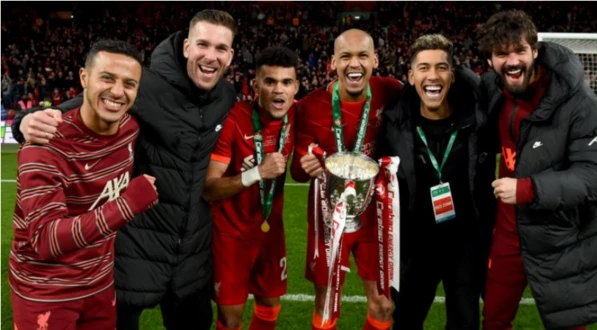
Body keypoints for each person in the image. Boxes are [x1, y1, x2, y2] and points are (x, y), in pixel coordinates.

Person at [11, 9, 238, 330]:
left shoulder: (226, 96)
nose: (210, 56)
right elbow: (83, 105)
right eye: (203, 45)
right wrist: (27, 120)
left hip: (191, 255)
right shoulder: (144, 85)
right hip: (134, 250)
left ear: (230, 56)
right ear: (187, 47)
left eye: (220, 49)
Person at [477, 10, 597, 330]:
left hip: (562, 235)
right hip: (508, 235)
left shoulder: (576, 101)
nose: (512, 61)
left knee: (569, 323)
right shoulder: (493, 90)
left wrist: (528, 188)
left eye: (520, 51)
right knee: (493, 320)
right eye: (501, 54)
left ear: (536, 51)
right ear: (490, 60)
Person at [9, 40, 159, 330]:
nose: (117, 91)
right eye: (107, 78)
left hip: (100, 284)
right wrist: (127, 204)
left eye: (129, 83)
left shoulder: (130, 130)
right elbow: (46, 240)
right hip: (46, 290)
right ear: (84, 78)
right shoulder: (44, 144)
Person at [380, 34, 495, 329]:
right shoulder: (394, 124)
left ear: (452, 75)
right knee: (405, 321)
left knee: (465, 323)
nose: (433, 76)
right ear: (411, 76)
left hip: (465, 245)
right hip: (417, 246)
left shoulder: (478, 120)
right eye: (424, 68)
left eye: (441, 67)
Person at [290, 29, 403, 330]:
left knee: (384, 304)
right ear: (332, 63)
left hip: (376, 216)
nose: (354, 64)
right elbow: (298, 174)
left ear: (375, 59)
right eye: (346, 57)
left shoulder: (392, 92)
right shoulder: (311, 105)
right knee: (326, 304)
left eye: (363, 55)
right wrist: (306, 165)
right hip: (330, 219)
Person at [203, 46, 298, 330]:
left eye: (286, 82)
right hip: (232, 235)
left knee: (270, 305)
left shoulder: (297, 115)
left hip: (271, 231)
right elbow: (209, 189)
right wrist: (257, 173)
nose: (278, 91)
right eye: (270, 82)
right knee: (230, 318)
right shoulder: (234, 120)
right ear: (256, 85)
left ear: (296, 87)